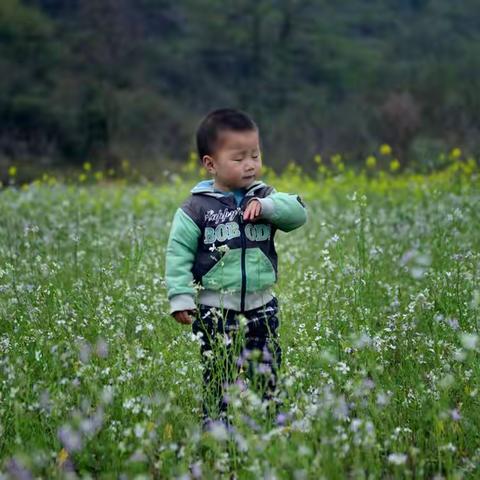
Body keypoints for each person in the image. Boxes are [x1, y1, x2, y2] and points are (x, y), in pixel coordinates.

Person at [164, 108, 307, 431]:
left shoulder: (265, 195)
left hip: (261, 305)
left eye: (255, 155)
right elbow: (178, 253)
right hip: (215, 308)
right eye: (239, 158)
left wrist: (268, 208)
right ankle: (216, 429)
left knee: (267, 369)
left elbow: (298, 213)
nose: (250, 164)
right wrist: (180, 296)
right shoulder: (196, 207)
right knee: (218, 372)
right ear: (210, 163)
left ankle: (273, 424)